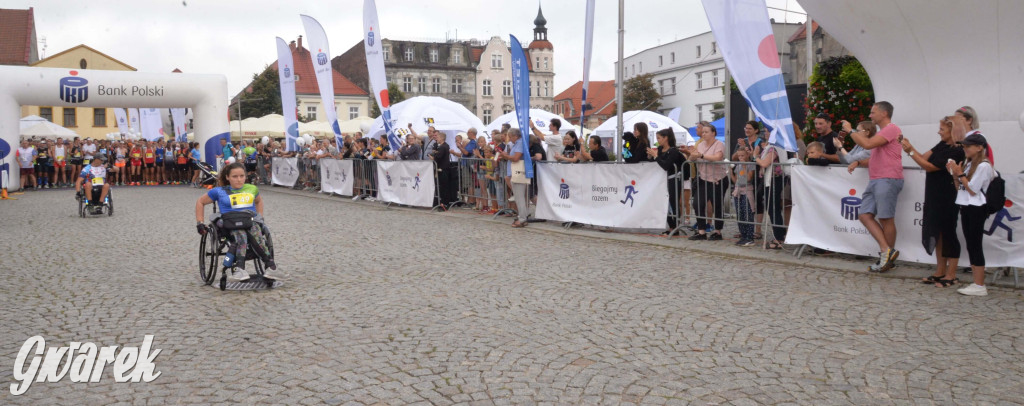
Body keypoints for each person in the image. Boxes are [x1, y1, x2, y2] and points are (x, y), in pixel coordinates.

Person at [902, 116, 965, 288]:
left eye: (942, 129)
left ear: (952, 131)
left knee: (948, 232)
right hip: (934, 193)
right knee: (937, 233)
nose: (939, 131)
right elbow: (924, 158)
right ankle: (940, 271)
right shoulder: (942, 145)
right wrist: (910, 148)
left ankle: (951, 274)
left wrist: (910, 152)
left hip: (947, 194)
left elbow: (929, 166)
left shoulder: (957, 150)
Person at [195, 162, 284, 282]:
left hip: (249, 220)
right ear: (227, 177)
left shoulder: (252, 189)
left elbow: (259, 202)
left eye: (242, 176)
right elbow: (200, 202)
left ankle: (270, 267)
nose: (239, 179)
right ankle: (239, 268)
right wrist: (200, 222)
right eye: (235, 176)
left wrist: (260, 218)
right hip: (229, 222)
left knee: (256, 232)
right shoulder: (219, 191)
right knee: (240, 233)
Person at [843, 101, 903, 273]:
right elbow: (876, 155)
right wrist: (859, 161)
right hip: (876, 178)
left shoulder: (891, 128)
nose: (870, 115)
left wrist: (850, 131)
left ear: (884, 113)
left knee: (886, 218)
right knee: (864, 215)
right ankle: (887, 251)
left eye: (873, 112)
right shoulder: (884, 132)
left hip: (888, 178)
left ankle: (887, 258)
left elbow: (867, 145)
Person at [948, 134, 994, 296]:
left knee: (975, 244)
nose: (965, 148)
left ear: (979, 147)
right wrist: (955, 174)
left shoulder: (983, 166)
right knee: (971, 244)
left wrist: (960, 174)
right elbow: (960, 188)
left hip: (977, 207)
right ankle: (977, 282)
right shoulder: (969, 164)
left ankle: (980, 284)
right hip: (967, 205)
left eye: (968, 146)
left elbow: (973, 189)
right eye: (964, 146)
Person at [685, 122, 727, 241]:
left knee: (717, 205)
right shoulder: (700, 145)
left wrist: (701, 156)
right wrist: (692, 155)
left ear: (713, 133)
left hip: (718, 179)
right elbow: (692, 157)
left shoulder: (719, 144)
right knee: (698, 203)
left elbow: (718, 157)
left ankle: (718, 231)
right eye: (703, 132)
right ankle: (701, 231)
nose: (704, 134)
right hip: (703, 178)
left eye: (706, 132)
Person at [647, 128, 685, 230]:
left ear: (666, 138)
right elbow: (657, 162)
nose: (658, 140)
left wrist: (656, 157)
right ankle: (671, 225)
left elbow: (666, 165)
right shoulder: (660, 149)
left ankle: (675, 227)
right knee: (662, 202)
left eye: (659, 138)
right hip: (663, 179)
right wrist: (651, 156)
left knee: (673, 202)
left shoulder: (673, 151)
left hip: (674, 179)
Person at [498, 128, 529, 227]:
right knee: (519, 197)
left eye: (510, 136)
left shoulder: (519, 143)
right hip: (516, 171)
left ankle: (522, 218)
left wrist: (506, 156)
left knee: (519, 197)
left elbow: (516, 158)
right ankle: (522, 216)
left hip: (519, 171)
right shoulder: (517, 143)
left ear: (515, 136)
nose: (509, 139)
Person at [731, 146, 757, 246]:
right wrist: (730, 173)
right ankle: (743, 235)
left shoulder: (750, 164)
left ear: (747, 155)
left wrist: (744, 166)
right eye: (739, 156)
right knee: (740, 214)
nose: (740, 157)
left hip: (747, 191)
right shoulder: (738, 166)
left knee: (748, 213)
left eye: (742, 155)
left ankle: (749, 237)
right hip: (738, 190)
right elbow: (737, 180)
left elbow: (749, 178)